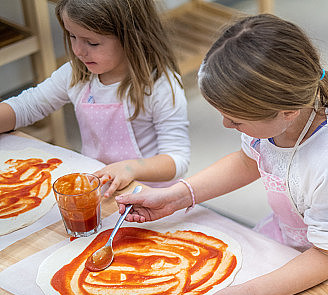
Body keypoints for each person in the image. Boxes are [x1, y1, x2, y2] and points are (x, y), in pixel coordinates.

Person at [116, 13, 328, 295]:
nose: (226, 125)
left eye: (235, 120)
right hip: (295, 245)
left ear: (287, 112)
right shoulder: (275, 122)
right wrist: (177, 196)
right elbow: (248, 161)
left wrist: (250, 294)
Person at [0, 0, 190, 197]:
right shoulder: (76, 74)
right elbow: (27, 106)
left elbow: (177, 159)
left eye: (92, 42)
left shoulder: (159, 85)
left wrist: (129, 169)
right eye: (72, 36)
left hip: (150, 196)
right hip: (99, 190)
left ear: (131, 36)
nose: (78, 51)